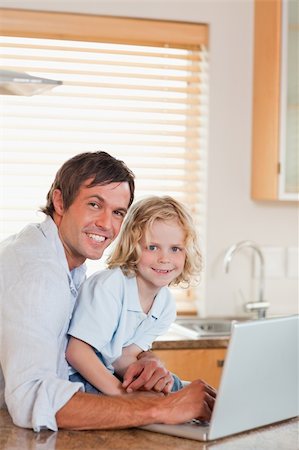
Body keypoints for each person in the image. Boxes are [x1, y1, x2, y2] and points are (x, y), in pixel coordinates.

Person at [0, 151, 216, 432]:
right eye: (94, 204)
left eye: (117, 212)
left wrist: (145, 361)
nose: (105, 223)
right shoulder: (37, 276)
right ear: (60, 202)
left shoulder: (64, 261)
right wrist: (162, 407)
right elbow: (33, 399)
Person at [66, 195, 202, 395]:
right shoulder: (110, 287)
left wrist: (148, 381)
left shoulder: (165, 306)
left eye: (175, 249)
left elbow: (124, 356)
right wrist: (124, 398)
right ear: (133, 246)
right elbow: (77, 353)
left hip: (110, 372)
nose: (165, 259)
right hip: (78, 376)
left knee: (173, 386)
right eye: (153, 247)